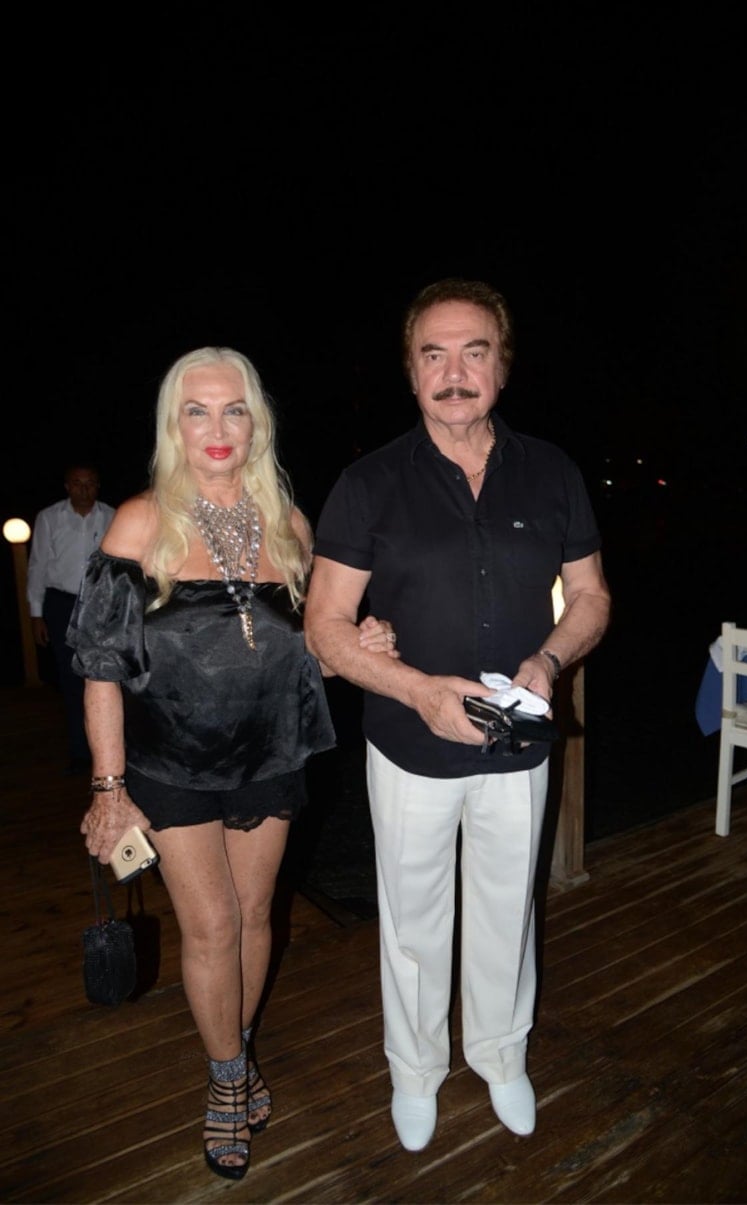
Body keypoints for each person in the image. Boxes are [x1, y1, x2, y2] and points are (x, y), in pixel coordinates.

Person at [67, 347, 397, 1181]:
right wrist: (109, 787)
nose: (217, 428)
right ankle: (224, 1080)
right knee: (211, 925)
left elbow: (306, 653)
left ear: (258, 424)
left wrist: (356, 643)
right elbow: (102, 666)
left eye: (234, 409)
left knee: (254, 917)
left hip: (270, 756)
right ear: (173, 426)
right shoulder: (141, 521)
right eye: (197, 410)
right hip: (170, 762)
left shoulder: (289, 527)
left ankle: (238, 1046)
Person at [304, 278, 612, 1152]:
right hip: (409, 742)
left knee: (508, 909)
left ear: (502, 367)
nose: (453, 373)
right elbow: (326, 625)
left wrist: (549, 660)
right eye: (433, 355)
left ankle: (500, 1054)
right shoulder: (367, 482)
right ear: (411, 371)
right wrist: (420, 691)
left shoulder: (552, 471)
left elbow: (591, 595)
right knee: (412, 920)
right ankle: (415, 1072)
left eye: (474, 352)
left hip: (520, 740)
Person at [26, 462, 115, 772]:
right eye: (77, 483)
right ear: (67, 486)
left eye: (90, 482)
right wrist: (36, 614)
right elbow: (38, 565)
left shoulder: (112, 516)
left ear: (98, 485)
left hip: (100, 605)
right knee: (70, 678)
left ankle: (108, 751)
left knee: (103, 677)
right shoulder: (49, 517)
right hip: (61, 603)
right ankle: (80, 750)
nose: (84, 489)